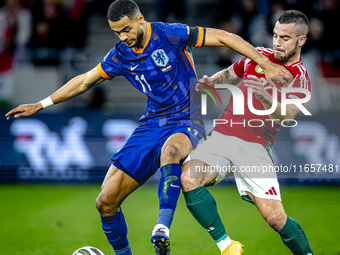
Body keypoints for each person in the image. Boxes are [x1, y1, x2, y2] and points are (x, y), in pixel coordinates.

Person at [5, 1, 292, 255]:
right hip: (150, 124)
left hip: (185, 120)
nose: (123, 37)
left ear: (140, 19)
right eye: (117, 32)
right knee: (105, 202)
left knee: (170, 152)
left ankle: (162, 229)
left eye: (127, 29)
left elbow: (225, 37)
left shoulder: (170, 33)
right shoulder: (120, 54)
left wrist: (264, 62)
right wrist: (41, 104)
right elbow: (84, 80)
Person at [181, 10, 313, 255]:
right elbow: (231, 73)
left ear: (301, 40)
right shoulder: (259, 56)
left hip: (254, 147)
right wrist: (213, 81)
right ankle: (227, 246)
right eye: (275, 35)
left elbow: (287, 116)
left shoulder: (300, 78)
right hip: (222, 136)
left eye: (285, 38)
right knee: (189, 179)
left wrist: (265, 96)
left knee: (275, 219)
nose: (277, 42)